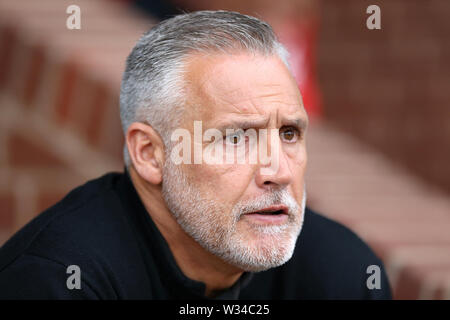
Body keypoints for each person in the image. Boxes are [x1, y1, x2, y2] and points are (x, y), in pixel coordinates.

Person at [0, 11, 391, 299]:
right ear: (150, 154)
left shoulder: (344, 275)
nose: (279, 171)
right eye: (237, 138)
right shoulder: (59, 281)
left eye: (289, 133)